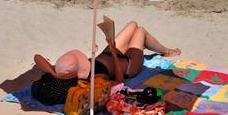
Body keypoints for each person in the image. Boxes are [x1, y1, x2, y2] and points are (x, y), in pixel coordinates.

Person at [34, 21, 181, 86]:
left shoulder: (62, 70)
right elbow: (119, 82)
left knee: (132, 24)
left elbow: (37, 57)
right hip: (129, 65)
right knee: (140, 30)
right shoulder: (95, 79)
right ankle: (166, 52)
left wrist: (54, 74)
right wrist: (114, 53)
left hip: (109, 53)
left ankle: (162, 50)